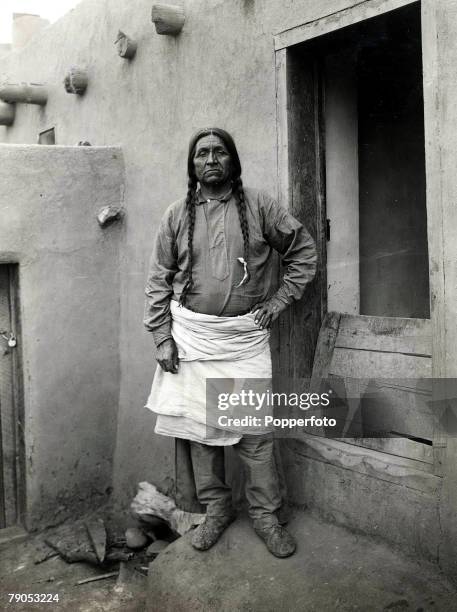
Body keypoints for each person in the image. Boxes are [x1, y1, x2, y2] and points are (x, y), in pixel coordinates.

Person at [144, 127, 316, 557]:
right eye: (202, 154)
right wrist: (162, 336)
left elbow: (302, 251)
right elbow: (157, 280)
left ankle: (265, 515)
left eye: (219, 152)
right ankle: (216, 509)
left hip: (242, 341)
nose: (211, 159)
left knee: (254, 436)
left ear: (232, 161)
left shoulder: (259, 207)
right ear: (193, 165)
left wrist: (278, 302)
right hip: (193, 340)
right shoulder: (175, 214)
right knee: (203, 434)